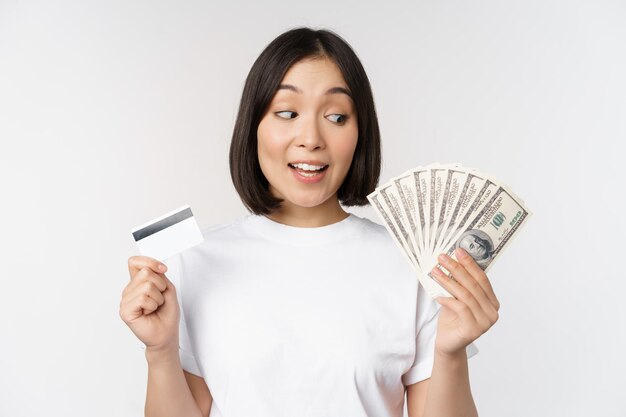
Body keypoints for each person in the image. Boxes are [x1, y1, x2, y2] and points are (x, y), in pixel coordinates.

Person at [120, 27, 500, 417]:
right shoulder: (195, 261)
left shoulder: (415, 267)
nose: (311, 138)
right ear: (253, 126)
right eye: (287, 113)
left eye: (336, 116)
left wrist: (450, 354)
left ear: (359, 134)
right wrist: (160, 351)